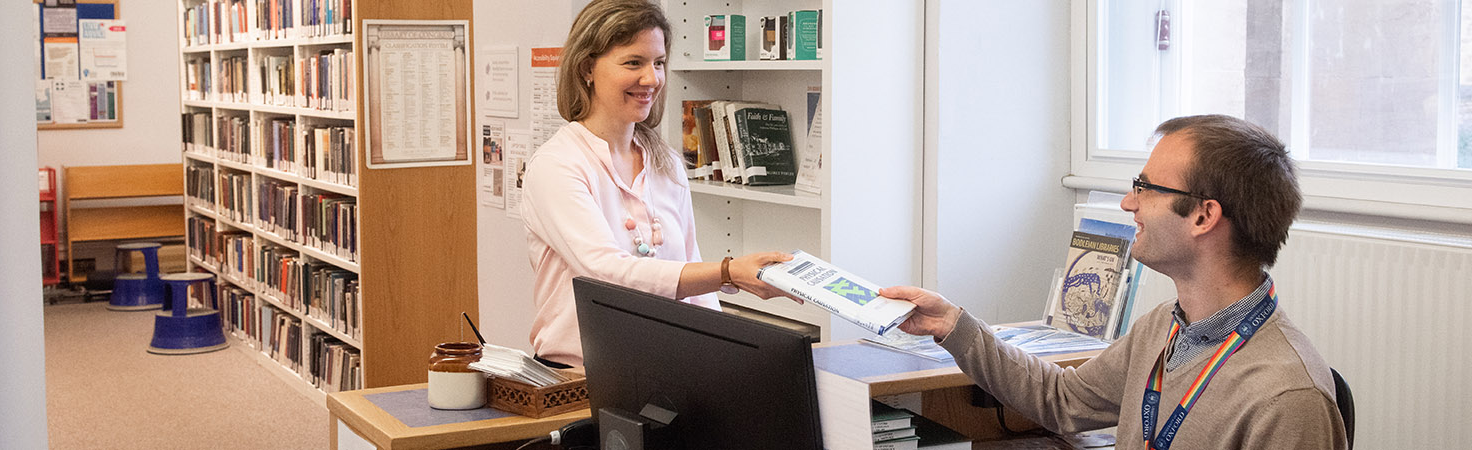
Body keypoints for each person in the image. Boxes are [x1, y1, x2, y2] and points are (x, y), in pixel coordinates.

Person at [886, 115, 1346, 449]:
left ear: (1204, 216)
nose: (1129, 202)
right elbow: (1063, 400)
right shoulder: (1165, 327)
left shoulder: (1288, 398)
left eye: (1146, 187)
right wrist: (951, 324)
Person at [521, 0, 793, 368]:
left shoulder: (664, 162)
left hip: (666, 369)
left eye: (659, 63)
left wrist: (724, 358)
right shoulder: (557, 165)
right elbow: (606, 274)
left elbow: (691, 265)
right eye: (634, 63)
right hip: (577, 378)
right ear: (587, 68)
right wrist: (729, 272)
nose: (651, 79)